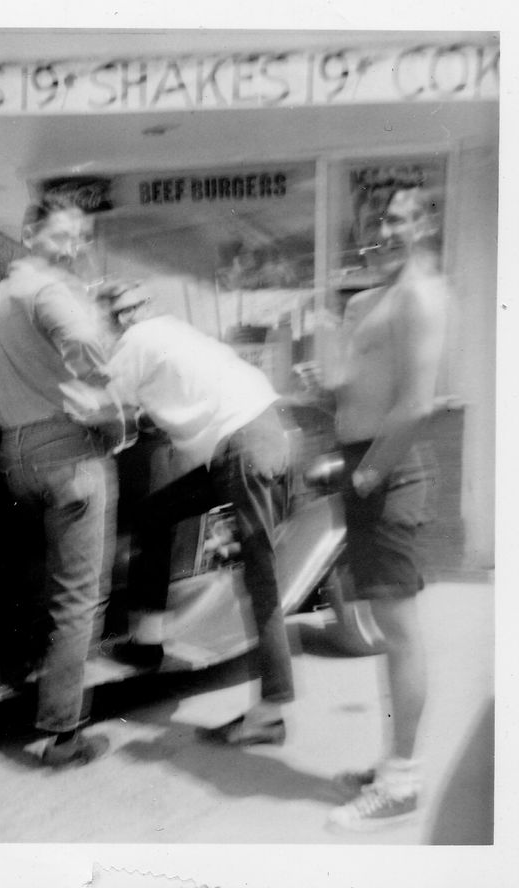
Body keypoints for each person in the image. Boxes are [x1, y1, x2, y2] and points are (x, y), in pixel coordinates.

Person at [0, 198, 119, 768]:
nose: (71, 248)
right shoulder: (50, 290)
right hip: (70, 456)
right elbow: (94, 350)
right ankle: (64, 733)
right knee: (79, 595)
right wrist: (102, 391)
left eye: (77, 238)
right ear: (29, 234)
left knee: (43, 583)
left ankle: (27, 679)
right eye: (61, 236)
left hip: (13, 459)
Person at [103, 281, 296, 746]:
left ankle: (270, 711)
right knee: (155, 515)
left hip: (242, 448)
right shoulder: (174, 332)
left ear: (140, 311)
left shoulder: (137, 341)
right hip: (256, 436)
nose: (125, 317)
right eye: (119, 312)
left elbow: (101, 405)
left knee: (260, 581)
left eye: (129, 309)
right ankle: (148, 643)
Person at [326, 185, 449, 830]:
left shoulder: (420, 295)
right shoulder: (386, 294)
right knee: (386, 627)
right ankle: (391, 764)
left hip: (389, 470)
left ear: (427, 225)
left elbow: (416, 403)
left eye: (404, 219)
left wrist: (370, 473)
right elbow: (359, 384)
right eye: (384, 221)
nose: (392, 230)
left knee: (400, 635)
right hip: (368, 468)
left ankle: (402, 783)